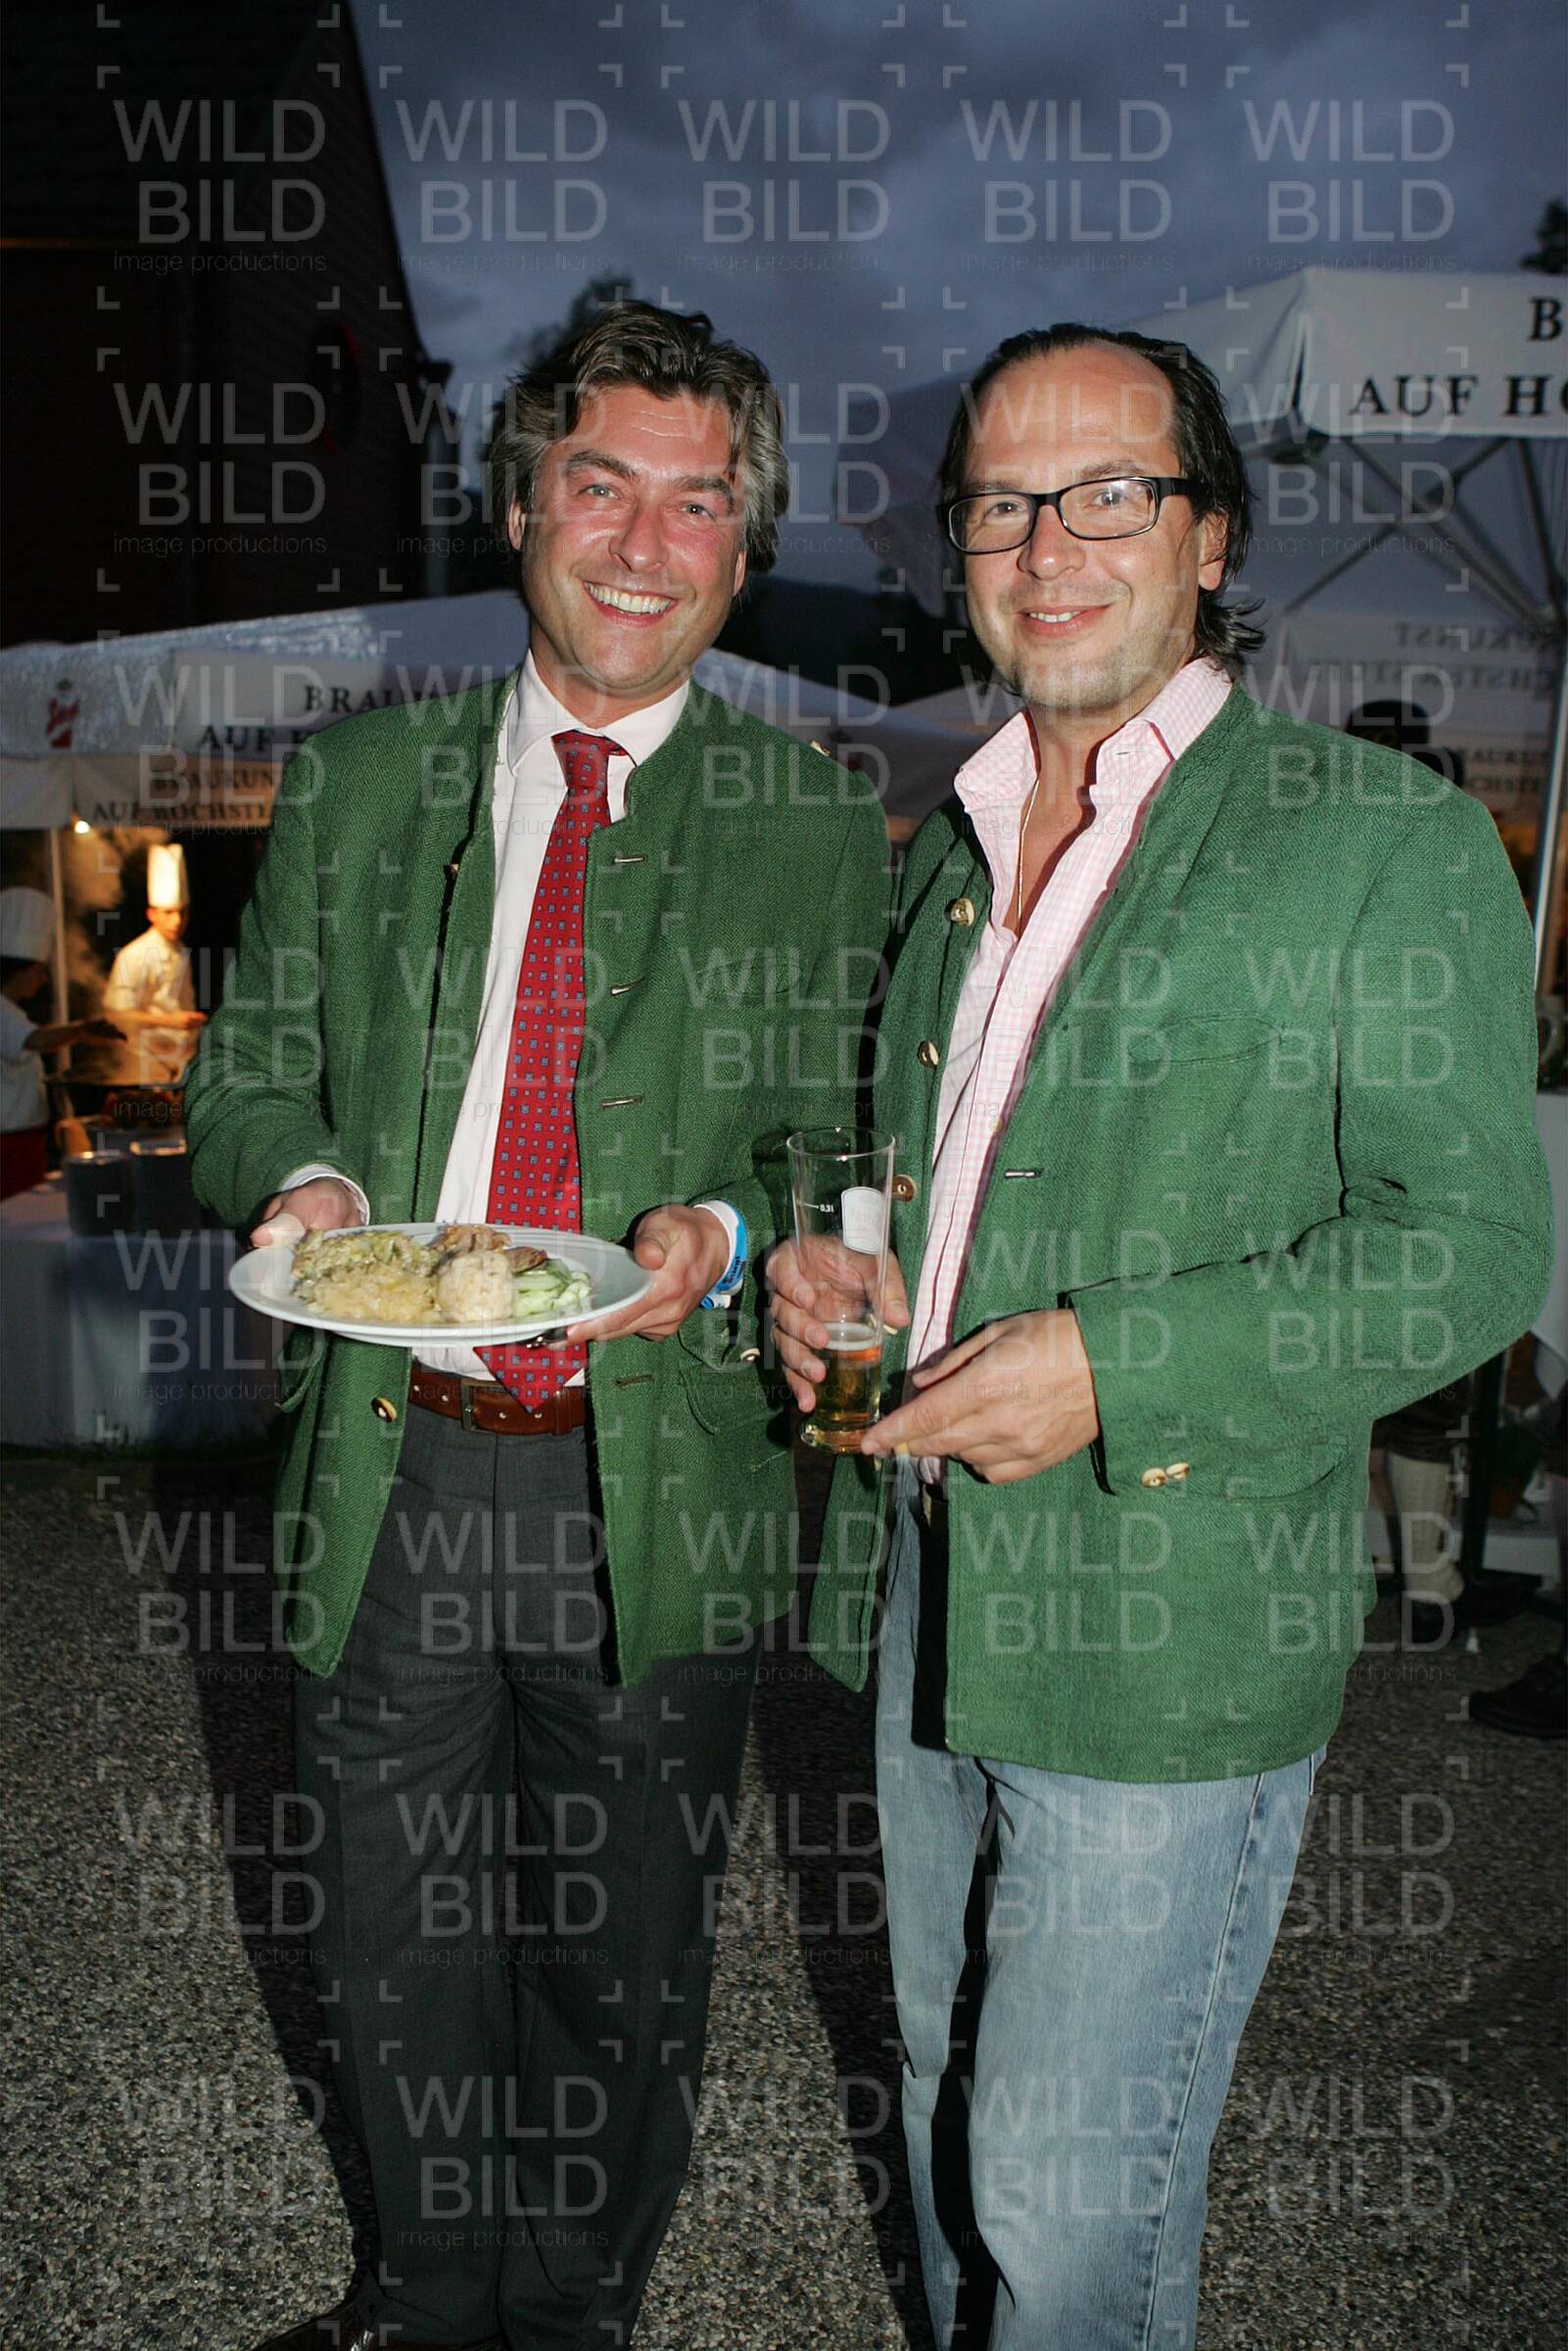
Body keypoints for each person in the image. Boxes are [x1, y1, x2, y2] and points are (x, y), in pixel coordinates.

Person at [769, 322, 1552, 2350]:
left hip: (1172, 1613)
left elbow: (1469, 1252)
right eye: (1000, 505)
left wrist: (1113, 1367)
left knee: (1062, 2197)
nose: (1049, 546)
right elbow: (935, 1180)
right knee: (942, 2101)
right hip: (928, 1575)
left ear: (1211, 538)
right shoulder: (948, 852)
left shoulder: (1373, 840)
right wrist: (846, 1271)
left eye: (1109, 493)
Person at [185, 303, 887, 2351]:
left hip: (652, 1467)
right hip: (394, 1462)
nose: (644, 545)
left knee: (619, 1946)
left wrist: (728, 1225)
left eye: (699, 504)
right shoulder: (357, 784)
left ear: (742, 551)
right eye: (601, 486)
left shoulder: (812, 823)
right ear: (518, 506)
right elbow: (247, 1076)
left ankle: (574, 2310)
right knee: (390, 1928)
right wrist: (307, 1183)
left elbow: (842, 1137)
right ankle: (420, 2292)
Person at [0, 884, 122, 1198]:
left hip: (23, 1136)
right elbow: (37, 1039)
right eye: (39, 972)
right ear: (19, 970)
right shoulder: (2, 1010)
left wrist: (80, 1032)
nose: (43, 981)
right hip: (9, 1139)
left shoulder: (11, 1010)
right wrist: (82, 1029)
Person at [102, 840, 206, 1084]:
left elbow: (183, 1003)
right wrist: (169, 1021)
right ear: (151, 914)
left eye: (182, 912)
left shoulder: (181, 951)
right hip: (144, 1063)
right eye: (168, 912)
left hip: (180, 1061)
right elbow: (117, 1015)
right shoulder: (133, 955)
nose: (177, 921)